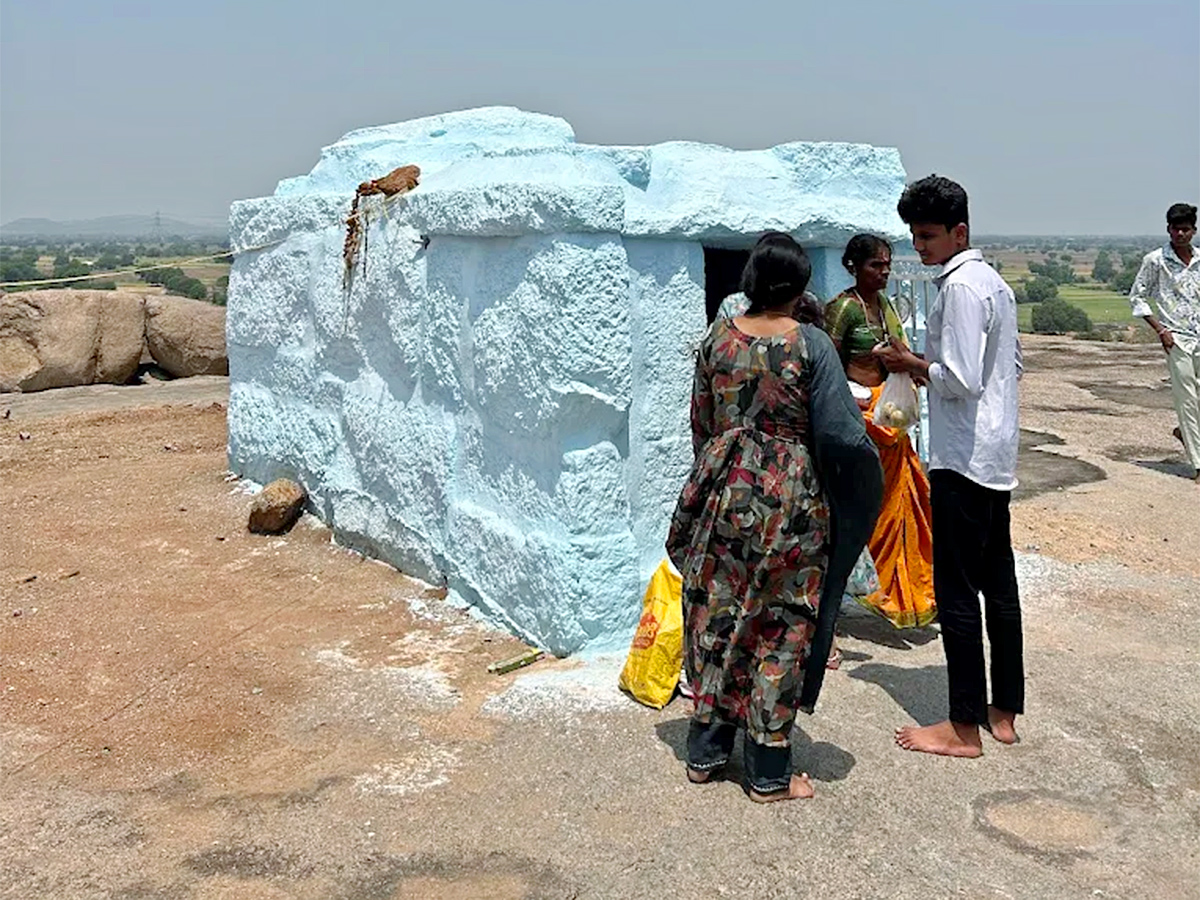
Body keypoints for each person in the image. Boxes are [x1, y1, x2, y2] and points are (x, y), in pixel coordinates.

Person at [667, 235, 883, 800]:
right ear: (800, 285)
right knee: (781, 622)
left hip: (721, 490)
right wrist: (854, 489)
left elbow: (701, 421)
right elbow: (840, 433)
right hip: (790, 501)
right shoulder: (810, 344)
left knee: (715, 615)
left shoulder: (717, 340)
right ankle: (767, 771)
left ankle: (706, 755)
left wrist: (721, 472)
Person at [873, 175, 1023, 758]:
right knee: (999, 586)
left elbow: (959, 379)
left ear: (960, 230)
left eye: (929, 235)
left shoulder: (960, 288)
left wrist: (908, 362)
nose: (920, 247)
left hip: (962, 457)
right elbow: (1007, 366)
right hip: (996, 452)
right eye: (914, 236)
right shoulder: (996, 285)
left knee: (957, 590)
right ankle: (1002, 710)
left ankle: (962, 728)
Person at [825, 234, 936, 629]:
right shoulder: (843, 310)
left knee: (906, 504)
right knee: (865, 511)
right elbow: (828, 367)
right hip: (862, 423)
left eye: (887, 264)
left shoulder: (885, 306)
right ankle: (853, 594)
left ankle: (902, 594)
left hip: (891, 421)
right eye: (876, 265)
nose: (884, 272)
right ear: (853, 266)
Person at [1129, 203, 1200, 484]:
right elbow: (1137, 296)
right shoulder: (1156, 260)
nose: (1181, 233)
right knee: (1187, 403)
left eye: (1186, 228)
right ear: (1168, 229)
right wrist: (1161, 330)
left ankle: (1186, 434)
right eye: (1176, 228)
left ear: (1194, 230)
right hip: (1177, 339)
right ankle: (1197, 465)